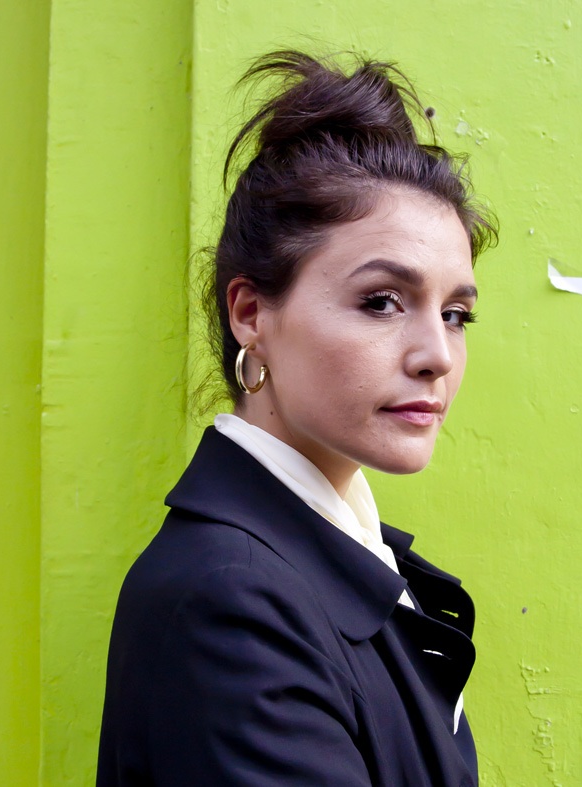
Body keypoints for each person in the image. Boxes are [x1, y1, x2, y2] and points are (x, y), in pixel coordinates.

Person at [97, 50, 496, 786]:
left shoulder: (347, 564)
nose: (437, 355)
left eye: (455, 313)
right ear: (251, 313)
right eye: (382, 301)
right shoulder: (230, 603)